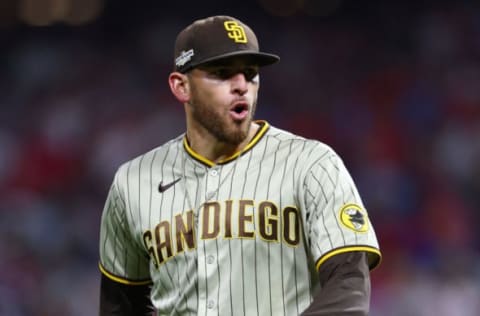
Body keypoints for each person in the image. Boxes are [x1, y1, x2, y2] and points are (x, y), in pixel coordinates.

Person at [98, 15, 381, 316]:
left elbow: (349, 285)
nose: (241, 86)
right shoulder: (132, 182)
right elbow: (120, 306)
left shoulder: (311, 165)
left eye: (250, 73)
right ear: (181, 86)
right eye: (222, 73)